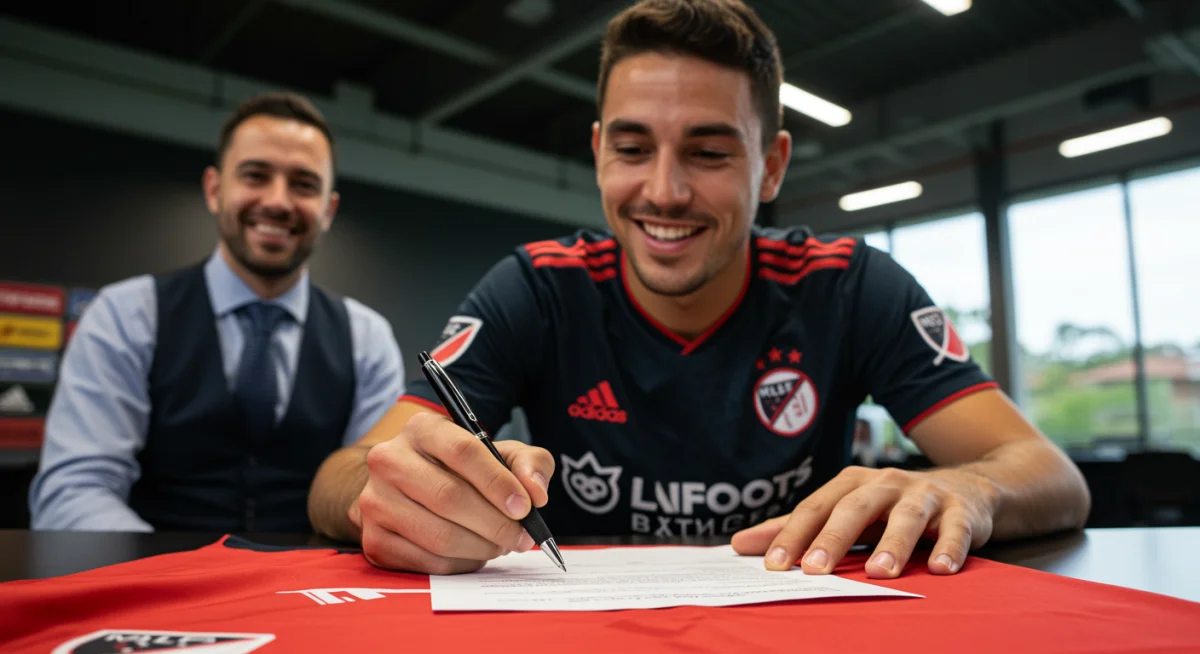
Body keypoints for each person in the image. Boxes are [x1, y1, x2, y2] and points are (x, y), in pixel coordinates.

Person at [308, 0, 1091, 577]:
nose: (665, 190)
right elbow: (341, 477)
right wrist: (399, 491)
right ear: (598, 151)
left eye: (709, 152)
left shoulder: (848, 285)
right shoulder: (537, 287)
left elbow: (1046, 471)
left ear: (773, 165)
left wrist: (964, 488)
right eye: (633, 147)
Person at [29, 92, 406, 533]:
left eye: (304, 184)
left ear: (328, 209)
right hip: (156, 582)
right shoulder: (125, 315)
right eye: (255, 175)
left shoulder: (367, 338)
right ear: (214, 189)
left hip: (310, 591)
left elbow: (376, 491)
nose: (278, 201)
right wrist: (169, 584)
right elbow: (74, 490)